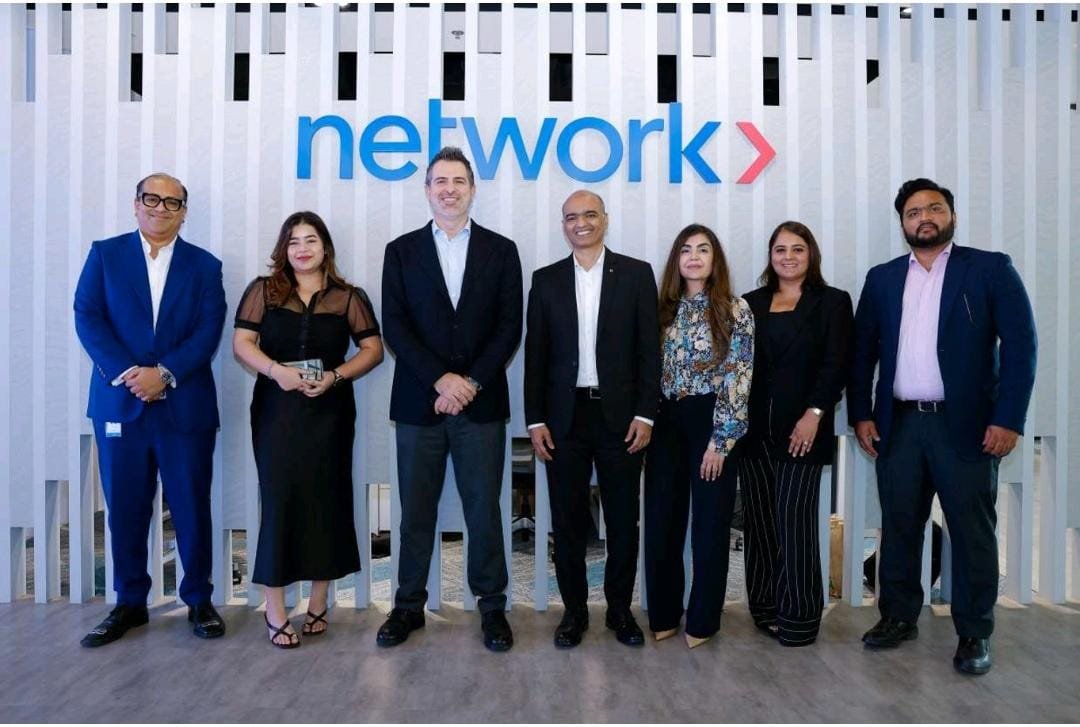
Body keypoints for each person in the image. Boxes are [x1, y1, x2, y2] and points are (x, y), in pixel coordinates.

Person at [849, 178, 1037, 675]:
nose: (924, 218)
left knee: (972, 532)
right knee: (899, 527)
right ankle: (898, 616)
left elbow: (1021, 347)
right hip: (899, 425)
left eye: (934, 209)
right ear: (903, 223)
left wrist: (1008, 419)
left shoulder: (989, 269)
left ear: (951, 216)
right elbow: (862, 352)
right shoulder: (883, 278)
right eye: (913, 212)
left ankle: (974, 631)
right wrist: (861, 414)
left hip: (966, 426)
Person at [73, 173, 227, 647]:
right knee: (125, 508)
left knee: (191, 506)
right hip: (121, 402)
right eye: (152, 198)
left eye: (172, 202)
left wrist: (164, 373)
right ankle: (129, 602)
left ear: (184, 212)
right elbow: (87, 315)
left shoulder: (205, 265)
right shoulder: (106, 254)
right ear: (136, 203)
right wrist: (130, 373)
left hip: (184, 406)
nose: (161, 208)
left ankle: (198, 599)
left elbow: (209, 329)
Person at [379, 147, 522, 652]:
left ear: (472, 189)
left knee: (484, 510)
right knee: (416, 511)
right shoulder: (401, 251)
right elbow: (395, 325)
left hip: (481, 405)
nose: (449, 190)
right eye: (440, 181)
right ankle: (407, 606)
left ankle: (492, 607)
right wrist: (441, 380)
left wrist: (470, 383)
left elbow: (509, 327)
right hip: (419, 403)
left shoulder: (501, 250)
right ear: (427, 190)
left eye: (458, 181)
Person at [233, 211, 383, 648]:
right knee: (279, 502)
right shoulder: (263, 291)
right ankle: (275, 609)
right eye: (294, 241)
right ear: (284, 248)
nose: (302, 249)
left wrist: (336, 376)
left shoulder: (348, 296)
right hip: (276, 410)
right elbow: (242, 343)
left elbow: (372, 348)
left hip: (329, 412)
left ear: (325, 248)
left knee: (326, 502)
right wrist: (276, 371)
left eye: (311, 240)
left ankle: (319, 601)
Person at [524, 190, 660, 649]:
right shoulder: (545, 280)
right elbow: (536, 356)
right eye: (570, 217)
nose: (580, 223)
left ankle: (619, 611)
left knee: (622, 521)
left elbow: (649, 351)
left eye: (589, 215)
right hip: (563, 419)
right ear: (563, 225)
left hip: (621, 417)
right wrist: (535, 420)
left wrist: (646, 413)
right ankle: (575, 613)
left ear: (605, 219)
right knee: (567, 523)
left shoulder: (637, 274)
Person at [734, 221, 853, 647]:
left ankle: (800, 619)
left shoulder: (833, 302)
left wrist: (814, 413)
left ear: (811, 254)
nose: (788, 256)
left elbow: (836, 365)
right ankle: (764, 608)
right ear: (770, 256)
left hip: (803, 431)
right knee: (760, 525)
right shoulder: (749, 303)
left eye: (797, 249)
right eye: (780, 249)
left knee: (795, 524)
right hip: (753, 434)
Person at [643, 224, 754, 649]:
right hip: (665, 419)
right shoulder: (661, 310)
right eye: (685, 250)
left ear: (714, 259)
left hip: (711, 418)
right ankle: (664, 614)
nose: (693, 257)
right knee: (662, 521)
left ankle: (703, 620)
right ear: (676, 260)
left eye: (703, 249)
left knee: (709, 524)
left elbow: (739, 376)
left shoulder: (734, 309)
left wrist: (720, 441)